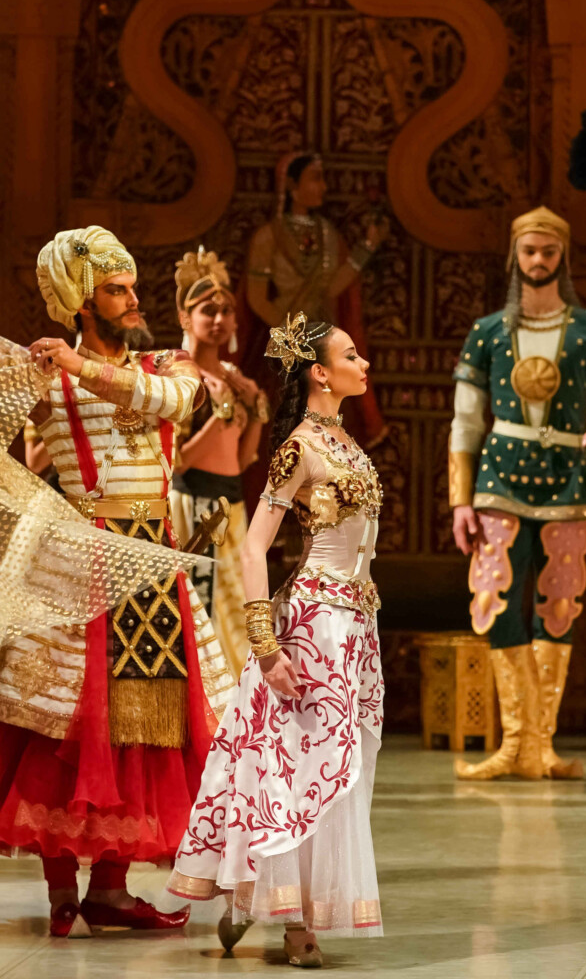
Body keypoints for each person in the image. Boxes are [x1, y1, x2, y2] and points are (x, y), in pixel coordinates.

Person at [0, 225, 235, 937]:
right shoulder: (45, 375)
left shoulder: (167, 362)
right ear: (82, 304)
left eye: (131, 287)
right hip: (76, 562)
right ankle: (63, 890)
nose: (132, 301)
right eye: (116, 291)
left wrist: (78, 366)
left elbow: (175, 403)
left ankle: (112, 890)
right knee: (55, 725)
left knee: (143, 729)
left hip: (152, 563)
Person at [169, 314, 384, 968]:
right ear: (321, 373)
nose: (364, 364)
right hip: (316, 622)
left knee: (341, 770)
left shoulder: (346, 442)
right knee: (303, 770)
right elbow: (254, 545)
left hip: (355, 623)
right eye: (352, 356)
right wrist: (265, 646)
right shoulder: (301, 447)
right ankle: (294, 924)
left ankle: (261, 902)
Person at [449, 206, 586, 781]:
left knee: (558, 606)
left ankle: (541, 745)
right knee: (494, 602)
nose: (538, 260)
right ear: (515, 256)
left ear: (563, 257)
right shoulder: (487, 331)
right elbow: (465, 422)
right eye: (529, 251)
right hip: (499, 481)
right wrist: (460, 500)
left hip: (568, 481)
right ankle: (516, 744)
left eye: (548, 251)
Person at [244, 152, 389, 444]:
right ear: (291, 185)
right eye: (316, 178)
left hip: (322, 347)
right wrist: (290, 340)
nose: (324, 187)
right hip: (285, 351)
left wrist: (367, 246)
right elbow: (256, 297)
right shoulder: (268, 236)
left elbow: (331, 289)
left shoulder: (328, 234)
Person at [171, 246, 266, 673]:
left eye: (227, 311)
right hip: (194, 508)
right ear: (185, 318)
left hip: (232, 507)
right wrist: (220, 415)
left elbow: (243, 460)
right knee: (203, 610)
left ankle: (234, 701)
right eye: (208, 310)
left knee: (235, 609)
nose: (219, 319)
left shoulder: (232, 377)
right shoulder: (178, 376)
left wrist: (256, 409)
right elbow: (177, 462)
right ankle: (206, 697)